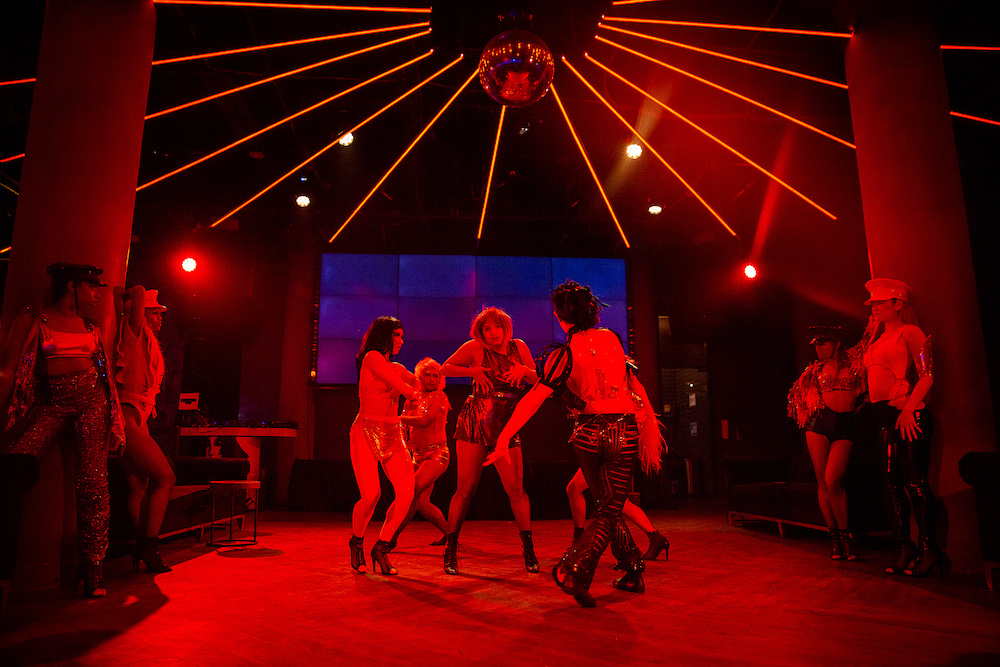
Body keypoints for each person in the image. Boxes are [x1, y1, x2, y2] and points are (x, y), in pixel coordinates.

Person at [492, 281, 666, 607]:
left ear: (560, 316)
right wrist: (645, 418)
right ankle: (632, 568)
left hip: (589, 433)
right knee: (610, 506)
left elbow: (535, 398)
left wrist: (503, 435)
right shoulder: (613, 340)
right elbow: (634, 384)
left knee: (607, 507)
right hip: (624, 431)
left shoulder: (564, 354)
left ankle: (577, 568)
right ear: (592, 311)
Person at [0, 263, 125, 598]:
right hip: (53, 401)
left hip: (92, 403)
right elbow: (9, 371)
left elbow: (106, 375)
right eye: (92, 287)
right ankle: (5, 570)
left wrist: (117, 421)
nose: (97, 294)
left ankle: (92, 567)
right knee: (14, 461)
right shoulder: (34, 320)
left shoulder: (90, 326)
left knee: (93, 483)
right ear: (72, 286)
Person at [439, 306, 539, 575]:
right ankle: (450, 550)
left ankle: (528, 550)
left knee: (516, 489)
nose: (492, 332)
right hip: (476, 420)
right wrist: (473, 373)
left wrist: (523, 372)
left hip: (508, 423)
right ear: (480, 332)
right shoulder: (475, 348)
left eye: (497, 327)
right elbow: (444, 367)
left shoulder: (519, 347)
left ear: (506, 327)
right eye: (487, 328)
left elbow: (538, 380)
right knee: (466, 488)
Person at [856, 278, 944, 576]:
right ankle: (904, 545)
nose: (875, 308)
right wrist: (870, 333)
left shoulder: (911, 332)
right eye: (872, 304)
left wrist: (908, 409)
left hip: (907, 412)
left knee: (914, 482)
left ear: (897, 303)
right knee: (891, 484)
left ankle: (930, 549)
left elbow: (927, 374)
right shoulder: (877, 339)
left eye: (880, 303)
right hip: (883, 415)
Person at [787, 326, 863, 561]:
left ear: (837, 343)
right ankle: (835, 538)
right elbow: (796, 397)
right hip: (819, 424)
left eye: (824, 343)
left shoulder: (855, 364)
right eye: (816, 345)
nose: (819, 348)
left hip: (845, 423)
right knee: (822, 481)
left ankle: (846, 535)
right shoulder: (813, 371)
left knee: (833, 480)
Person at [349, 316, 417, 576]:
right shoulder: (373, 358)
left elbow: (420, 382)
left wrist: (430, 378)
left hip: (392, 433)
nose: (401, 340)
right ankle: (356, 541)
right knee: (371, 496)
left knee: (407, 493)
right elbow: (406, 388)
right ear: (386, 335)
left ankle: (382, 546)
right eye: (397, 335)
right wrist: (415, 392)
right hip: (365, 431)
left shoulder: (395, 365)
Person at [116, 286, 176, 574]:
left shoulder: (148, 340)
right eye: (156, 312)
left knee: (138, 485)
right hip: (128, 413)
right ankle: (147, 547)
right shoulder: (134, 332)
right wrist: (128, 293)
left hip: (138, 415)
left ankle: (140, 546)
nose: (160, 317)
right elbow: (138, 293)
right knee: (165, 477)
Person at [388, 357, 451, 549]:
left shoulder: (440, 397)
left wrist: (397, 417)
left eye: (436, 376)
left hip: (437, 455)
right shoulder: (412, 400)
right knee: (422, 503)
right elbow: (406, 432)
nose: (432, 379)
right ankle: (451, 535)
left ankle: (390, 538)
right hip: (418, 457)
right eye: (428, 375)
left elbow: (425, 421)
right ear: (419, 378)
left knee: (409, 493)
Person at [566, 469, 669, 562]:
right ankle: (656, 538)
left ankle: (579, 539)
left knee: (574, 488)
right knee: (622, 502)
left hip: (607, 458)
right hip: (605, 457)